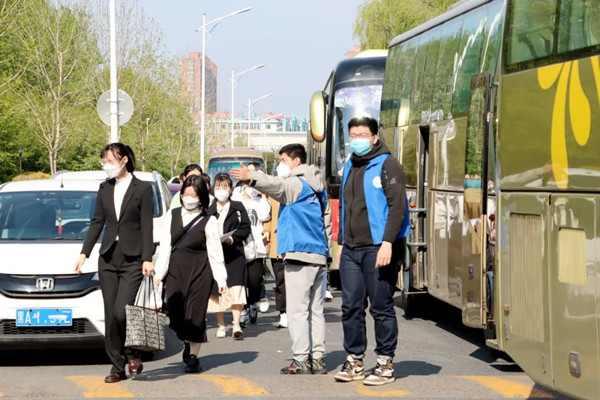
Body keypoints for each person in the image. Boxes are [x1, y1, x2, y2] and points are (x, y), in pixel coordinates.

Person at [230, 143, 330, 375]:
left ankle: (301, 359)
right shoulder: (318, 185)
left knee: (297, 311)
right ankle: (317, 358)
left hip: (299, 252)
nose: (280, 165)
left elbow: (276, 186)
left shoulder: (297, 183)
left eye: (283, 160)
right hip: (318, 254)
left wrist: (251, 177)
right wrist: (327, 252)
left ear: (296, 161)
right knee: (315, 311)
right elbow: (327, 221)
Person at [333, 116, 410, 386]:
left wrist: (388, 242)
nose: (357, 140)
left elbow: (398, 207)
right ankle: (355, 360)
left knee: (381, 306)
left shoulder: (387, 164)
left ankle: (385, 363)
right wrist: (341, 243)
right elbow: (345, 208)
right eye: (353, 135)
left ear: (374, 137)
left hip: (379, 247)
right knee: (350, 306)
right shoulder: (350, 165)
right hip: (351, 249)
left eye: (363, 135)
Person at [74, 143, 154, 384]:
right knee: (111, 315)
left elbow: (147, 225)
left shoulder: (142, 188)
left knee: (122, 312)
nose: (107, 165)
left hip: (133, 259)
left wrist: (147, 258)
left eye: (110, 161)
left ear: (124, 160)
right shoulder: (104, 188)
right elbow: (97, 222)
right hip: (108, 257)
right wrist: (84, 253)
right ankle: (117, 366)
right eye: (104, 161)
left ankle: (132, 352)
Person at [153, 175, 227, 373]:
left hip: (200, 274)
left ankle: (193, 356)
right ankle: (186, 341)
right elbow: (165, 246)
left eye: (194, 195)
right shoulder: (172, 215)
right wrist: (159, 274)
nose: (189, 198)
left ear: (202, 197)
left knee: (195, 316)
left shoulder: (209, 220)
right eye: (186, 194)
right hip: (176, 272)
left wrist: (221, 279)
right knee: (176, 314)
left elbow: (215, 252)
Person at [206, 173, 251, 340]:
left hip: (235, 254)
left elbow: (246, 228)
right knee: (218, 290)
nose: (221, 190)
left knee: (236, 289)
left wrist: (232, 238)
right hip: (215, 256)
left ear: (231, 189)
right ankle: (221, 325)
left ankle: (236, 325)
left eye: (225, 187)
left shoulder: (238, 207)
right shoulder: (209, 210)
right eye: (218, 187)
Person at [231, 162, 271, 327]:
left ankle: (253, 302)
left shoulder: (260, 200)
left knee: (254, 281)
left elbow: (264, 215)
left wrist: (262, 196)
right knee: (240, 280)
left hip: (256, 248)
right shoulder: (236, 195)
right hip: (238, 246)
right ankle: (243, 309)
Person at [263, 197, 287, 328]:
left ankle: (296, 310)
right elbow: (268, 216)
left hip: (296, 243)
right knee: (281, 280)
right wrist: (266, 231)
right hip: (277, 243)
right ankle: (283, 312)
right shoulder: (273, 194)